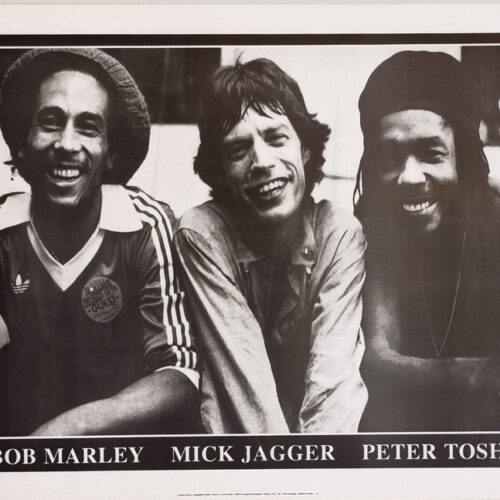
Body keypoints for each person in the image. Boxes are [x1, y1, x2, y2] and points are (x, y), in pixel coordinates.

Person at [0, 48, 198, 436]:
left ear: (111, 153)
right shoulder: (5, 230)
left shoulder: (145, 225)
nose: (66, 143)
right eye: (50, 122)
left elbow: (180, 372)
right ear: (22, 143)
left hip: (120, 452)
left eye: (88, 127)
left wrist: (69, 428)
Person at [174, 58, 367, 433]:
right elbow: (243, 382)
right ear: (220, 171)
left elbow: (333, 386)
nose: (261, 162)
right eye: (238, 150)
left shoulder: (339, 234)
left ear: (305, 149)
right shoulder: (203, 234)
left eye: (276, 139)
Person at [355, 50, 500, 431]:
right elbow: (376, 360)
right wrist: (468, 375)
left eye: (431, 153)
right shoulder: (373, 227)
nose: (408, 177)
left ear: (464, 156)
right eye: (390, 158)